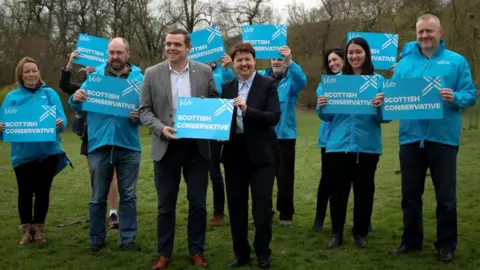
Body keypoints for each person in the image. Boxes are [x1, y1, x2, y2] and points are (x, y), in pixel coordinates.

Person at [389, 14, 477, 263]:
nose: (424, 36)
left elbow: (471, 95)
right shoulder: (404, 64)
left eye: (429, 31)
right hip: (410, 138)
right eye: (420, 32)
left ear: (441, 32)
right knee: (409, 195)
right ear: (416, 34)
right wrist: (384, 99)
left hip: (443, 138)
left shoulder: (456, 62)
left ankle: (446, 244)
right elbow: (393, 95)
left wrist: (455, 97)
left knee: (446, 197)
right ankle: (411, 240)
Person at [138, 29, 218, 269]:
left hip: (197, 148)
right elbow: (144, 110)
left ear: (188, 48)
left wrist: (210, 115)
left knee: (198, 204)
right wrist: (161, 128)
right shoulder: (152, 74)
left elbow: (215, 103)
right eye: (167, 44)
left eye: (176, 45)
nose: (171, 48)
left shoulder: (204, 71)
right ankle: (164, 253)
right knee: (165, 205)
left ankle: (197, 251)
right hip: (166, 147)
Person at [69, 37, 143, 252]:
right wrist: (76, 98)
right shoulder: (95, 77)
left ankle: (127, 239)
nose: (115, 57)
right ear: (107, 54)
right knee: (97, 196)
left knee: (128, 195)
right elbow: (78, 106)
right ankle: (96, 239)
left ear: (128, 54)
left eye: (119, 53)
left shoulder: (139, 78)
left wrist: (140, 115)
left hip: (128, 143)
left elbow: (149, 109)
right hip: (99, 143)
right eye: (112, 52)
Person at [317, 37, 389, 249]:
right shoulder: (333, 82)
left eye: (358, 52)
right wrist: (322, 106)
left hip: (367, 146)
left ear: (366, 54)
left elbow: (385, 118)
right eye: (350, 53)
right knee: (338, 192)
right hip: (338, 145)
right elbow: (326, 117)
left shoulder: (378, 82)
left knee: (364, 191)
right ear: (346, 56)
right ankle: (337, 233)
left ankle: (360, 233)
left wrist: (379, 107)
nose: (354, 56)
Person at [221, 42, 280, 269]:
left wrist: (248, 110)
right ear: (234, 63)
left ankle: (263, 253)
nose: (243, 63)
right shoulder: (227, 87)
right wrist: (219, 133)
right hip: (234, 156)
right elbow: (223, 119)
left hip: (262, 156)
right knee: (236, 207)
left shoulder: (268, 85)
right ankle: (241, 253)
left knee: (262, 208)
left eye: (247, 59)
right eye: (239, 60)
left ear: (254, 61)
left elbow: (273, 116)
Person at [0, 56, 68, 245]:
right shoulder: (11, 98)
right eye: (27, 71)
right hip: (22, 155)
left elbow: (62, 122)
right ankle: (25, 230)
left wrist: (60, 124)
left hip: (49, 153)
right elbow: (4, 129)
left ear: (39, 73)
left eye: (34, 71)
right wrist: (1, 129)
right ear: (21, 75)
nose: (31, 74)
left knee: (43, 192)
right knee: (24, 193)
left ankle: (38, 230)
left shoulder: (49, 94)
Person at [60, 50, 120, 229]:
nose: (89, 67)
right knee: (95, 174)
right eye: (86, 65)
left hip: (109, 133)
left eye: (93, 64)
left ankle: (113, 212)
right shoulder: (82, 88)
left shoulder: (112, 85)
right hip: (89, 135)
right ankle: (98, 210)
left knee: (113, 175)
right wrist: (70, 61)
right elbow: (64, 85)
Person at [258, 46, 307, 226]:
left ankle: (286, 215)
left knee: (285, 178)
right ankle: (264, 212)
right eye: (274, 59)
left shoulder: (291, 79)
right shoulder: (261, 77)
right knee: (263, 177)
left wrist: (290, 61)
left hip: (285, 136)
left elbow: (302, 81)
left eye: (280, 59)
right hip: (264, 135)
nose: (277, 62)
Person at [311, 48, 344, 232]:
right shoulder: (324, 85)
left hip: (350, 139)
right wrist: (321, 106)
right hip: (329, 139)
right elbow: (325, 114)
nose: (332, 64)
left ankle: (363, 221)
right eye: (329, 61)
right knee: (326, 180)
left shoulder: (358, 81)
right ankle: (319, 219)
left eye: (336, 59)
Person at [207, 53, 234, 227]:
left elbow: (228, 93)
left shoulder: (223, 71)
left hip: (217, 128)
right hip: (198, 126)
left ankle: (219, 212)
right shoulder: (195, 70)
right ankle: (198, 209)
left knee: (215, 172)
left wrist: (225, 69)